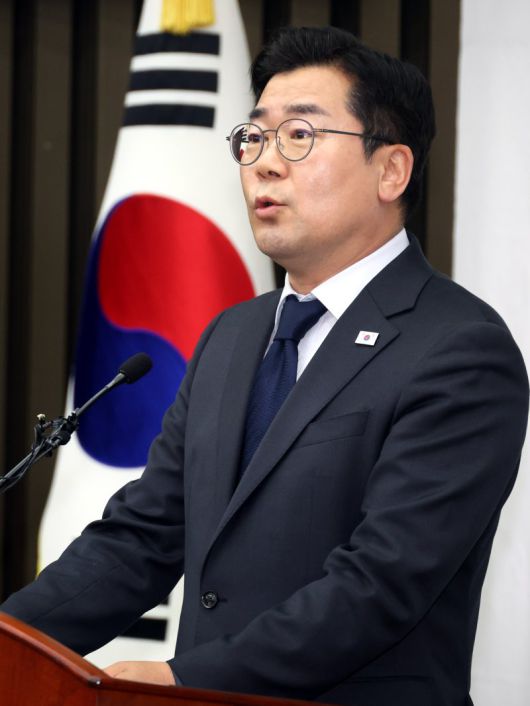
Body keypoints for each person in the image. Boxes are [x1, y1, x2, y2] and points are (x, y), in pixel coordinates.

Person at [1, 26, 528, 706]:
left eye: (300, 135)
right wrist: (12, 640)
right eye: (253, 137)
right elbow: (142, 538)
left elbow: (382, 582)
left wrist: (184, 679)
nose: (264, 164)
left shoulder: (458, 349)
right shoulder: (233, 334)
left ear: (392, 170)